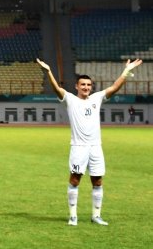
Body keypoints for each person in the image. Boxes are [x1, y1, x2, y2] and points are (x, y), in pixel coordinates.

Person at [37, 58, 142, 226]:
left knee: (98, 181)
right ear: (77, 86)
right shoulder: (70, 99)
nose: (86, 87)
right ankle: (73, 216)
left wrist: (126, 71)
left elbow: (114, 87)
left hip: (95, 148)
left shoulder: (97, 98)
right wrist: (48, 71)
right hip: (78, 147)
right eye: (83, 84)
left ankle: (96, 216)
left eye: (88, 85)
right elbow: (57, 89)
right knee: (75, 180)